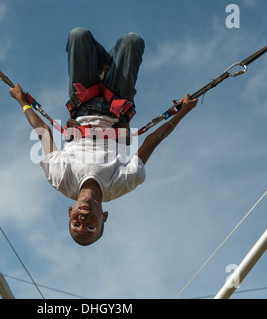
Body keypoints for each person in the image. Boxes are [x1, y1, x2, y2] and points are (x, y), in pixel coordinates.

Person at [10, 27, 198, 246]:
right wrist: (183, 112)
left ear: (70, 212)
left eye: (76, 224)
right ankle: (107, 67)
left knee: (78, 36)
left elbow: (43, 131)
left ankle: (103, 66)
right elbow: (152, 141)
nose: (83, 220)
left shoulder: (61, 180)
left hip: (83, 103)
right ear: (104, 217)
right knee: (132, 41)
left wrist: (22, 102)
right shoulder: (121, 184)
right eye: (91, 226)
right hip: (116, 106)